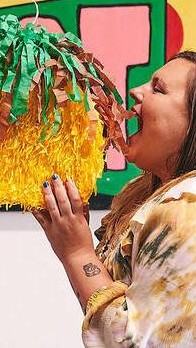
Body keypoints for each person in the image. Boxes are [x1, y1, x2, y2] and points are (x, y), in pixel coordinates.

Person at [33, 51, 196, 347]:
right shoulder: (144, 193)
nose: (136, 91)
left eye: (158, 89)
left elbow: (135, 342)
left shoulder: (184, 211)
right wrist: (72, 239)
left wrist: (77, 253)